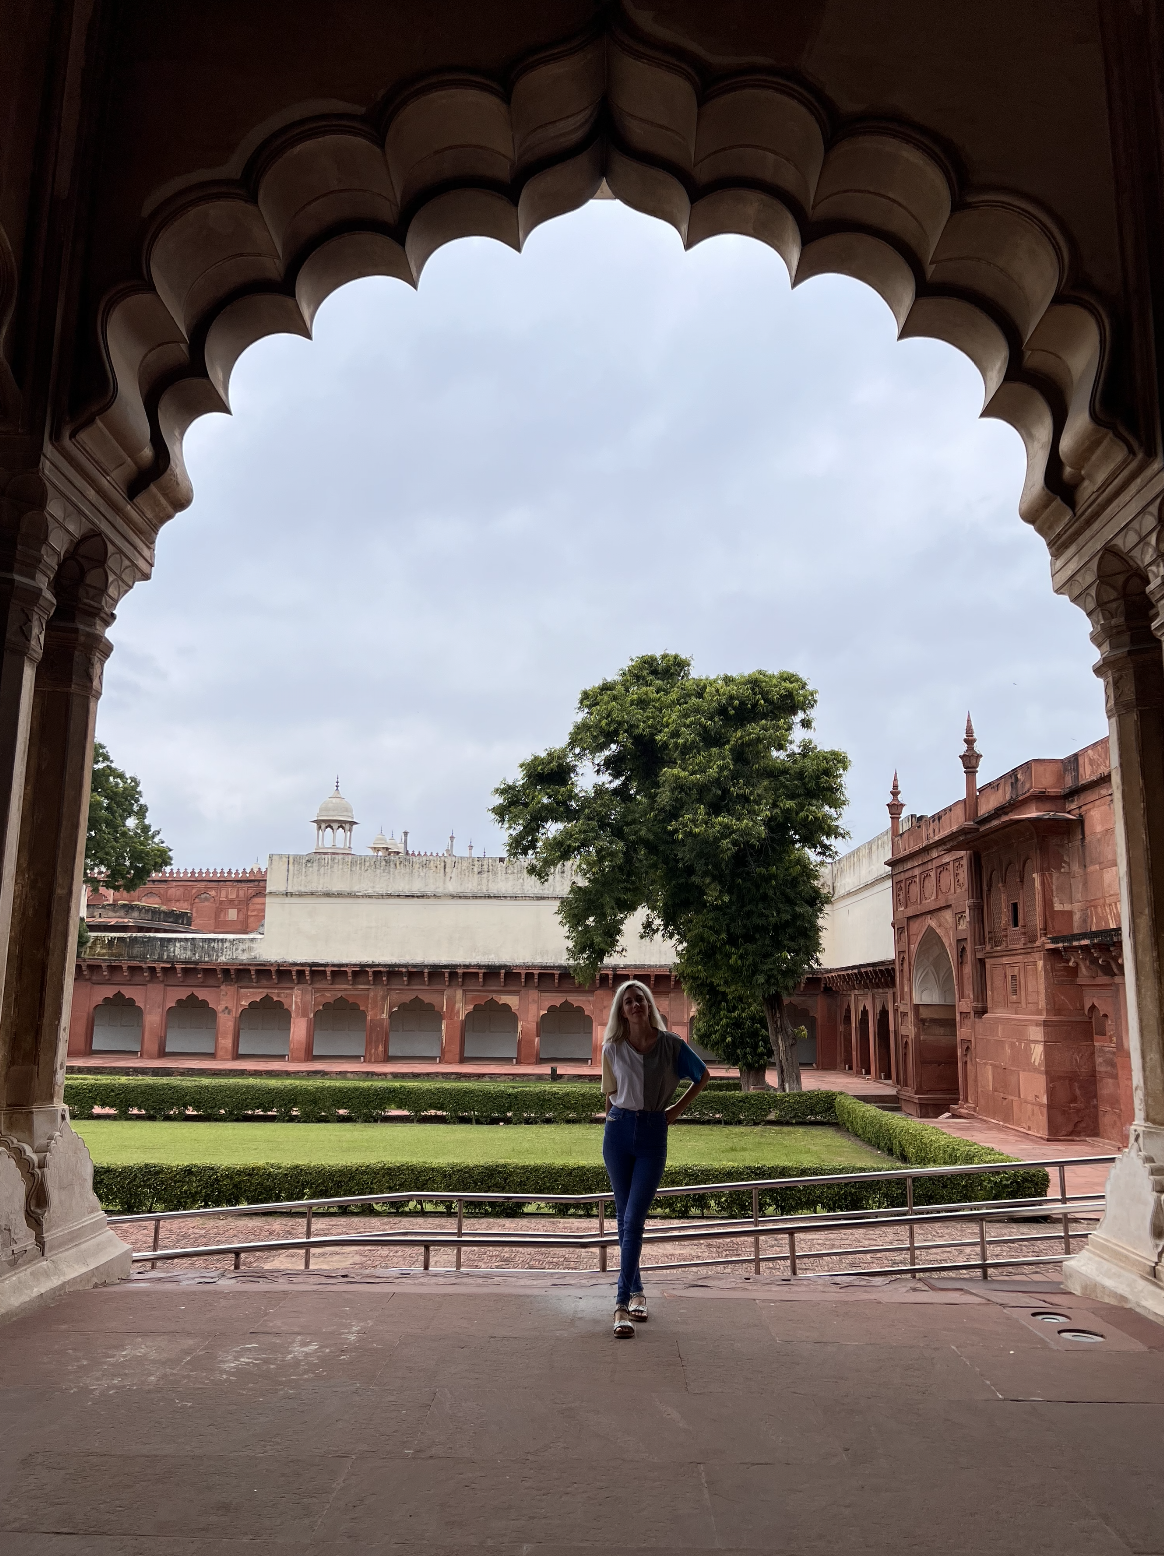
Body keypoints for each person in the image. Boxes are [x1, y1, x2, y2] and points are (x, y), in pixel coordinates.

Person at [601, 979, 709, 1337]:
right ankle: (636, 1293)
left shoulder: (671, 1045)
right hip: (618, 1132)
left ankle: (620, 1305)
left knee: (634, 1219)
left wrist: (675, 1110)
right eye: (628, 1001)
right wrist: (609, 1129)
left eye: (640, 999)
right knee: (625, 1218)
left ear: (649, 1006)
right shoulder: (613, 1048)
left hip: (652, 1132)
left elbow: (702, 1075)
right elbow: (609, 1096)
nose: (635, 1005)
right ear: (621, 1010)